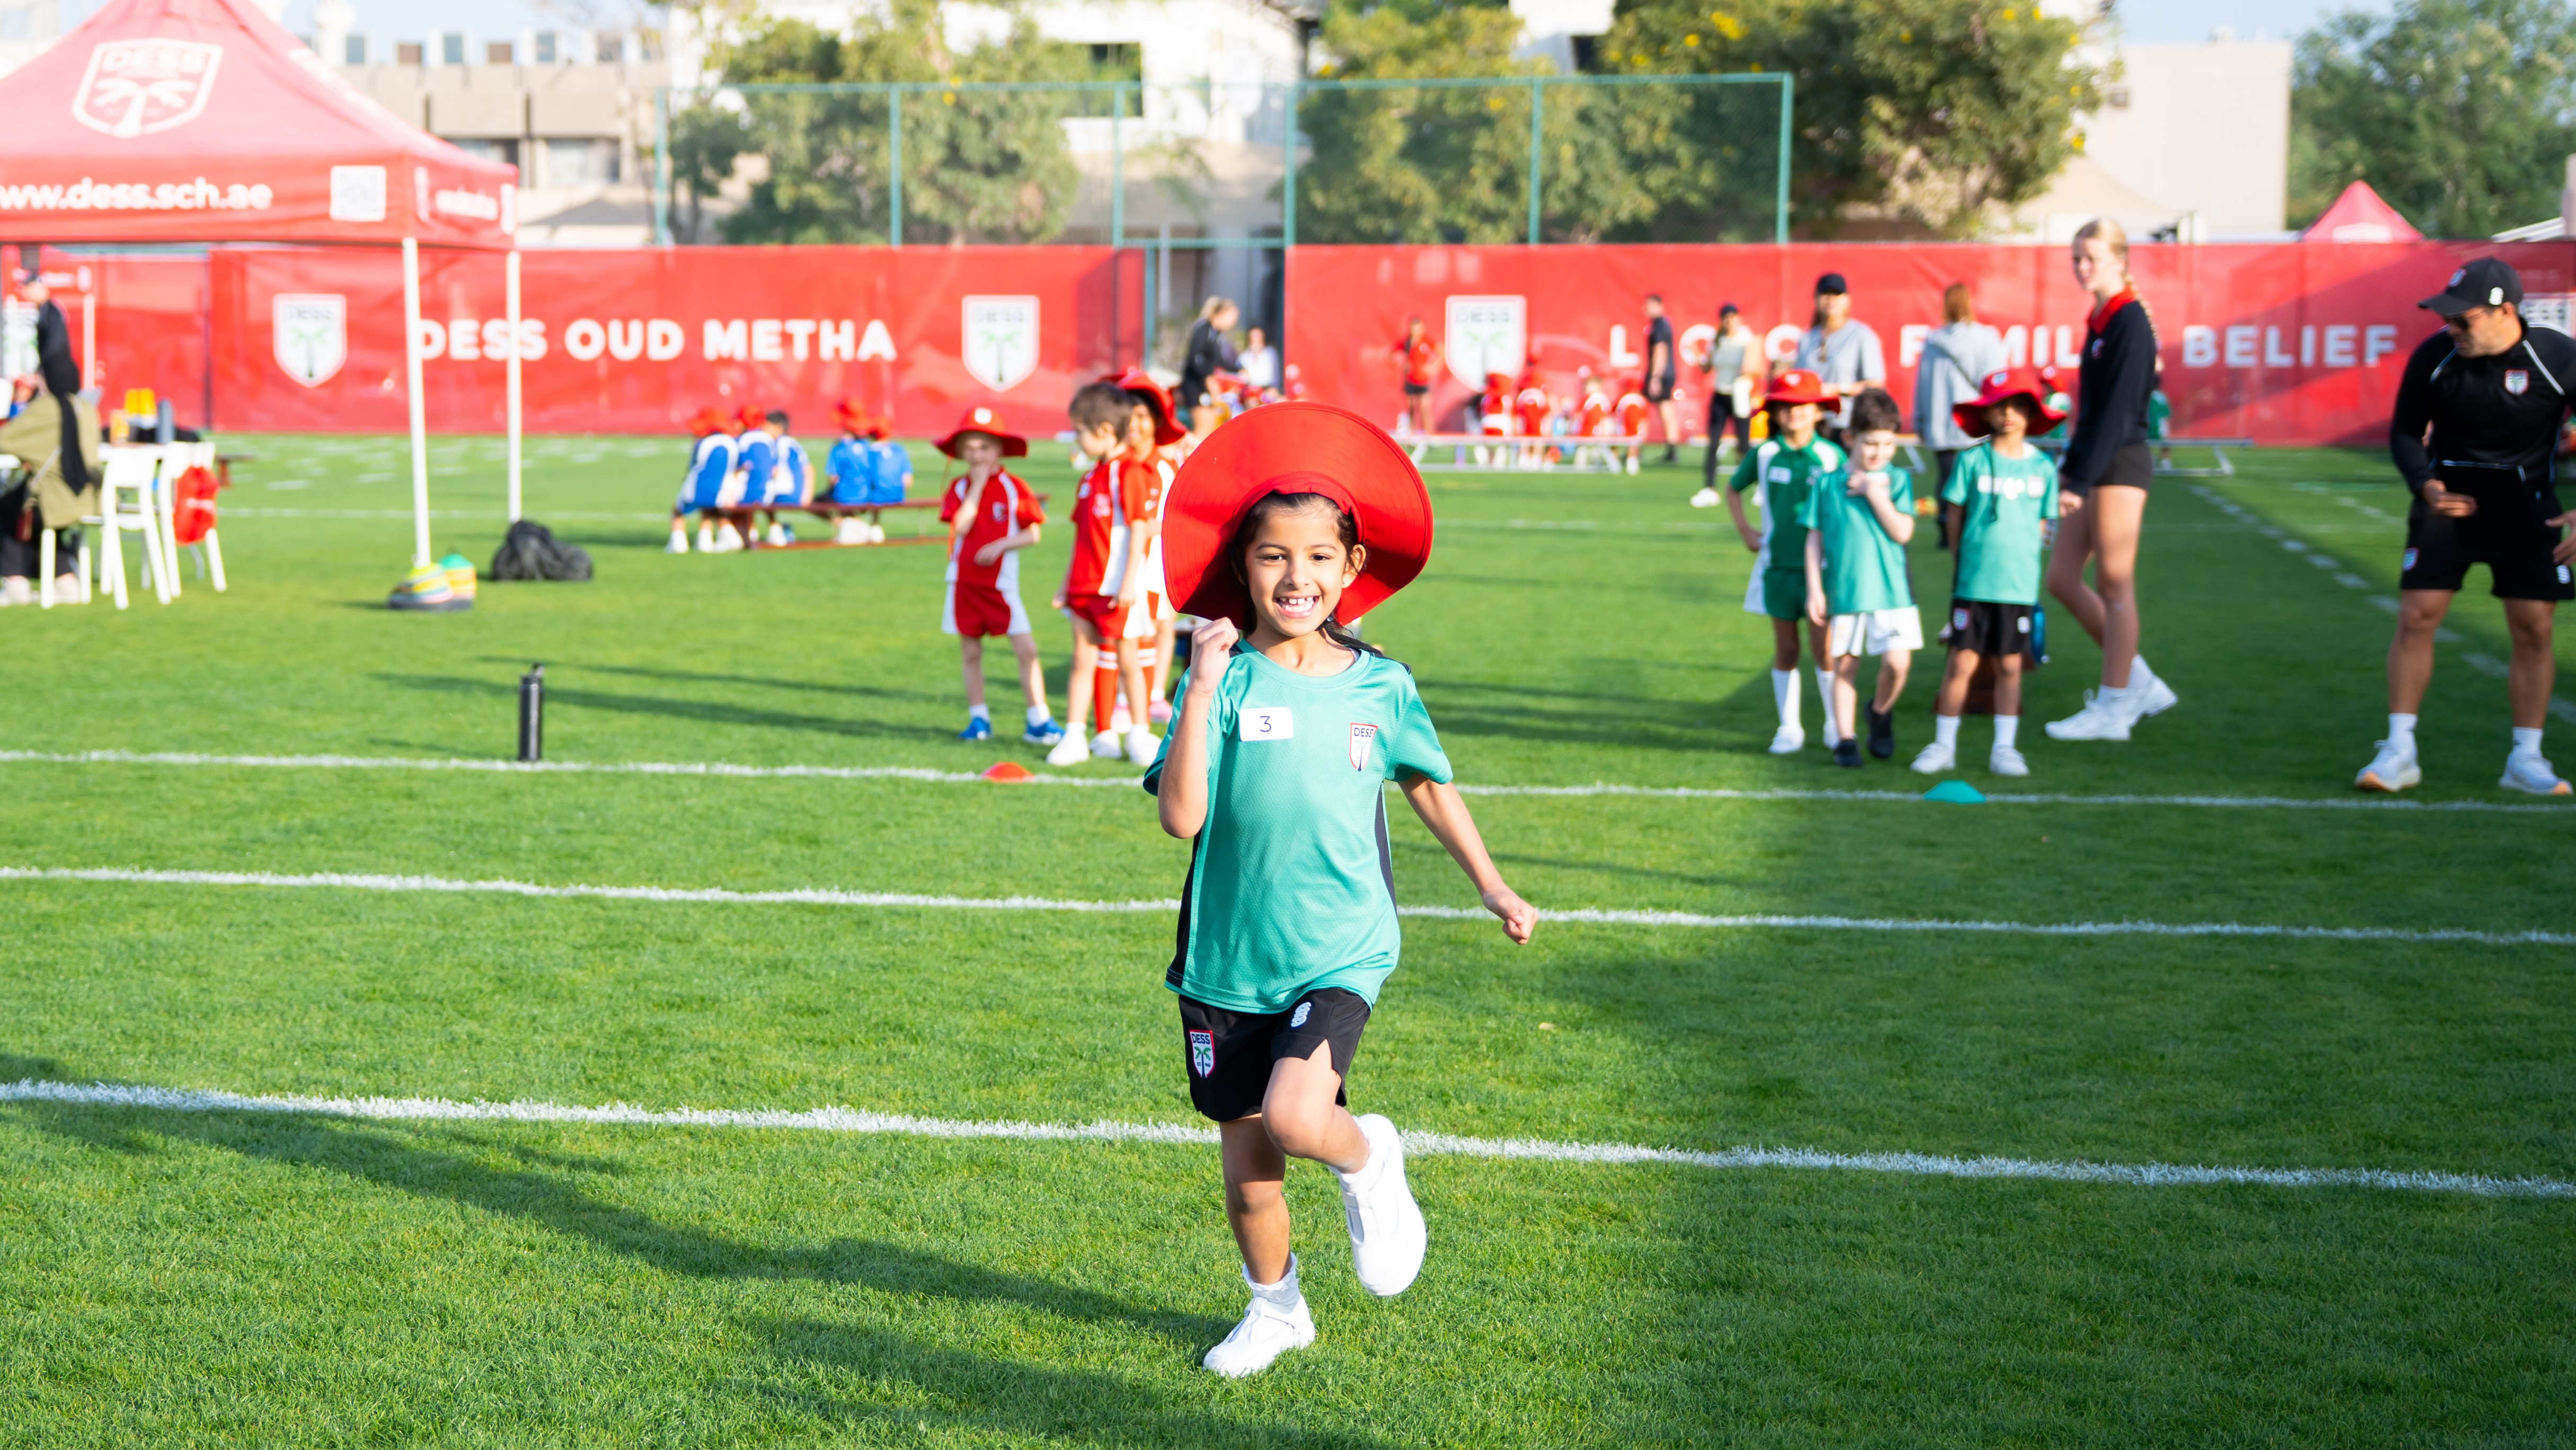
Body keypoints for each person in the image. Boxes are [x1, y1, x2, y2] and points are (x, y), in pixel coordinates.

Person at [1146, 400, 1535, 1378]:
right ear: (1242, 569)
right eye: (1274, 557)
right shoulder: (1223, 681)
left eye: (1319, 557)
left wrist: (1490, 885)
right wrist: (1195, 688)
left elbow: (1428, 783)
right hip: (1228, 960)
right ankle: (1276, 1310)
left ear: (1351, 571)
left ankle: (1371, 1159)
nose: (1297, 577)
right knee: (1250, 1179)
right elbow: (1182, 819)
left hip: (1342, 947)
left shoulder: (1380, 683)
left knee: (1295, 1117)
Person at [2359, 256, 2576, 795]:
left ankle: (2525, 759)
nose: (2450, 329)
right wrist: (2424, 485)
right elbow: (2406, 434)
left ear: (2503, 311)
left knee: (2534, 627)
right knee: (2416, 617)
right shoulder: (2435, 357)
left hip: (2527, 506)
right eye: (2446, 319)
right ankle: (2398, 750)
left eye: (2463, 319)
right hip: (2446, 504)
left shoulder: (2557, 358)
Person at [2043, 218, 2182, 742]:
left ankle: (2115, 706)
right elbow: (2090, 412)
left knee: (2114, 584)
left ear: (2120, 261)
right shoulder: (2102, 318)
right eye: (2076, 257)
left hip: (2119, 465)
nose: (2081, 267)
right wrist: (2071, 469)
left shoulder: (2129, 321)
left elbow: (2120, 416)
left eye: (2091, 258)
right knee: (2060, 579)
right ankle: (2138, 680)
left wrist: (2078, 480)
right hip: (2094, 464)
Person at [1915, 367, 2064, 779]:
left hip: (2016, 587)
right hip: (1973, 584)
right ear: (1986, 413)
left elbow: (2044, 524)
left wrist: (2029, 557)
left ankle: (2005, 749)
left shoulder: (2042, 468)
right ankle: (1943, 745)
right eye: (2000, 406)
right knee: (1960, 663)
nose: (2008, 415)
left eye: (2018, 406)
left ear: (2032, 413)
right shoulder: (1971, 461)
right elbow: (1954, 515)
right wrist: (1961, 562)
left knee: (2010, 666)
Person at [1800, 388, 1919, 766]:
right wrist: (1815, 589)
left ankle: (1880, 712)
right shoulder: (1827, 483)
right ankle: (1846, 740)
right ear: (1850, 438)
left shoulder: (1896, 481)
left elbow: (1902, 532)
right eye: (1871, 443)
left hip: (1892, 592)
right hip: (1847, 590)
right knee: (1845, 666)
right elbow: (1813, 538)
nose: (1879, 453)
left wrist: (1872, 491)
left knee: (1898, 664)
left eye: (1887, 444)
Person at [1728, 368, 1843, 754]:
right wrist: (1746, 531)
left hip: (1821, 571)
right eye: (1785, 406)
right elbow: (1732, 489)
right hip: (1776, 568)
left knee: (1824, 650)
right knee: (1786, 650)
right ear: (1774, 413)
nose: (1793, 413)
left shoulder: (1831, 456)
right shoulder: (1764, 453)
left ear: (1818, 412)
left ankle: (1834, 724)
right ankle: (1788, 728)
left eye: (1802, 406)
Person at [934, 406, 1062, 747]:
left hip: (1002, 586)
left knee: (1026, 649)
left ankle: (1038, 718)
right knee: (971, 652)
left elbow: (1033, 533)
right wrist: (975, 488)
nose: (978, 455)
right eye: (971, 448)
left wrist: (1003, 544)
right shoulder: (960, 488)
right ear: (961, 452)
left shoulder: (1014, 486)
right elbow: (958, 526)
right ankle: (979, 718)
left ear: (1000, 450)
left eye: (985, 447)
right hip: (963, 583)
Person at [1047, 383, 1161, 766]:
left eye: (1080, 430)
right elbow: (1081, 536)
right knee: (1083, 659)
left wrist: (1130, 582)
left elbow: (1139, 529)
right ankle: (1076, 735)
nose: (1076, 438)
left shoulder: (1129, 473)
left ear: (1104, 432)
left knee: (1128, 658)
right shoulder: (1090, 477)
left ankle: (1140, 734)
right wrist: (1065, 586)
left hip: (1116, 588)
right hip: (1084, 586)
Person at [0, 278, 99, 606]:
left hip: (55, 499)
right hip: (86, 496)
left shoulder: (47, 409)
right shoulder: (86, 409)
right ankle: (65, 578)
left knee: (13, 507)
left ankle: (15, 582)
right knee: (30, 503)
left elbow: (7, 440)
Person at [1912, 283, 2008, 547]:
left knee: (1946, 479)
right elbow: (1997, 380)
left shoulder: (1934, 340)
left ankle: (1946, 530)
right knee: (1977, 477)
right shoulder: (1985, 337)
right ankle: (1973, 527)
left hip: (1942, 422)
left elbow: (1922, 382)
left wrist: (1920, 419)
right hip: (1976, 422)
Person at [1792, 273, 1887, 444]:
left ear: (1847, 300)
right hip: (1809, 426)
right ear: (1816, 299)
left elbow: (1875, 385)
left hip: (1845, 424)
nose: (1831, 299)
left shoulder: (1861, 335)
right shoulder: (1807, 339)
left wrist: (1836, 389)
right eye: (1825, 294)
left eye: (1837, 294)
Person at [1694, 303, 1764, 502]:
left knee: (1744, 444)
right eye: (1725, 317)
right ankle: (1709, 488)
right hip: (1720, 394)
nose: (1729, 321)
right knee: (1713, 442)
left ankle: (1758, 486)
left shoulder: (1746, 339)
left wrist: (1748, 370)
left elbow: (1756, 367)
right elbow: (1707, 368)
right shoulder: (1717, 340)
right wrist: (1700, 357)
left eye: (1732, 317)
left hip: (1740, 394)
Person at [666, 406, 740, 554]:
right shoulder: (733, 443)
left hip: (697, 487)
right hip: (721, 490)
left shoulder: (703, 443)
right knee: (709, 509)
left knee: (678, 511)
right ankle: (706, 541)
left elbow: (694, 466)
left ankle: (678, 543)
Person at [1181, 297, 1243, 438]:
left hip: (1204, 386)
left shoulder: (1216, 335)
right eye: (1232, 317)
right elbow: (1194, 358)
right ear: (1222, 314)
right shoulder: (1204, 330)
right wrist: (1206, 377)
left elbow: (1219, 361)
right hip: (1194, 385)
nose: (1233, 322)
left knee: (1211, 426)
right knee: (1202, 429)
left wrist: (1239, 369)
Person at [1642, 294, 1684, 464]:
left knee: (1651, 410)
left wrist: (1655, 377)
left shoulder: (1659, 325)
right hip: (1666, 373)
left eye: (1649, 306)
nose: (1645, 309)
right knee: (1665, 408)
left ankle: (1636, 448)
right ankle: (1671, 448)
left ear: (1659, 306)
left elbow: (1660, 350)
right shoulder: (1663, 324)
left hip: (1661, 374)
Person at [1394, 317, 1441, 438]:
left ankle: (1430, 436)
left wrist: (1433, 367)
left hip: (1423, 380)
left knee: (1425, 408)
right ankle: (1412, 435)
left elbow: (1441, 351)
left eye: (1418, 328)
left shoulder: (1426, 341)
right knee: (1411, 409)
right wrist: (1401, 364)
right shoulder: (1406, 342)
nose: (1416, 331)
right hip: (1410, 379)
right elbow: (1392, 354)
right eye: (1413, 328)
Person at [1614, 377, 1652, 476]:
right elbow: (1644, 419)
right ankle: (1632, 463)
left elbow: (1613, 411)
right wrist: (1645, 431)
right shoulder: (1642, 400)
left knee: (1616, 444)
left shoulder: (1623, 398)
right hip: (1636, 428)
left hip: (1621, 428)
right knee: (1634, 443)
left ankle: (1615, 462)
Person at [1238, 326, 1280, 392]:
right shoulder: (1244, 357)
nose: (1256, 341)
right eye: (1253, 338)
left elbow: (1275, 376)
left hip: (1267, 389)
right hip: (1250, 390)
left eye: (1258, 338)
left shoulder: (1270, 353)